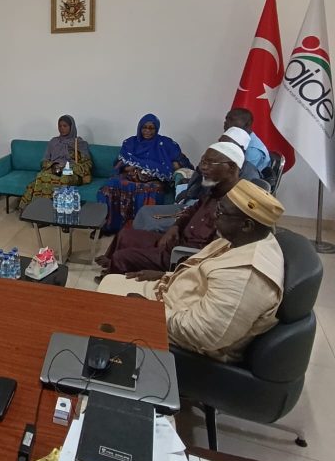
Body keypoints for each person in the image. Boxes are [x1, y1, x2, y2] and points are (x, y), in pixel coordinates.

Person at [98, 181, 285, 362]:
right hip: (170, 300)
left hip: (181, 338)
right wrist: (166, 276)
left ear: (246, 225)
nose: (213, 216)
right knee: (109, 283)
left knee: (99, 311)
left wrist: (149, 311)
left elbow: (202, 334)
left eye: (220, 211)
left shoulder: (245, 277)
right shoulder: (243, 239)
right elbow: (200, 276)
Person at [97, 141, 243, 277]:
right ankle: (112, 264)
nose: (203, 167)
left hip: (183, 256)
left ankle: (112, 277)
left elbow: (215, 254)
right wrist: (175, 227)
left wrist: (169, 275)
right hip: (177, 240)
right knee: (125, 235)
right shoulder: (215, 191)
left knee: (122, 257)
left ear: (231, 167)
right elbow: (191, 211)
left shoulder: (235, 204)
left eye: (210, 163)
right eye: (203, 162)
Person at [133, 127, 260, 233]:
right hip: (196, 206)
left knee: (150, 226)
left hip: (206, 220)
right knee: (144, 212)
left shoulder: (249, 174)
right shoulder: (210, 165)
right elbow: (194, 191)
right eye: (219, 143)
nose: (219, 147)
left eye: (226, 145)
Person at [97, 114, 189, 233]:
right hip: (131, 176)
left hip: (153, 180)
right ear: (140, 128)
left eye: (151, 128)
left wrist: (171, 165)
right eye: (144, 127)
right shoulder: (131, 142)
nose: (147, 131)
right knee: (110, 185)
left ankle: (141, 230)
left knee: (153, 190)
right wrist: (133, 167)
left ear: (156, 129)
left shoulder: (165, 143)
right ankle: (107, 225)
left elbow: (180, 162)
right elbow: (120, 164)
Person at [19, 115, 92, 209]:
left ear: (71, 127)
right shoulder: (53, 142)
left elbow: (88, 164)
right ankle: (39, 209)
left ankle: (57, 210)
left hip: (72, 172)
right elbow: (44, 161)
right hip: (55, 169)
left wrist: (68, 166)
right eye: (60, 126)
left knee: (63, 179)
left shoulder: (79, 143)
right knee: (40, 176)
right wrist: (54, 165)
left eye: (65, 126)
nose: (62, 128)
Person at [224, 108, 271, 172]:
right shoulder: (235, 140)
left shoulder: (252, 150)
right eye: (226, 119)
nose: (226, 122)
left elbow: (243, 174)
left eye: (231, 119)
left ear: (247, 124)